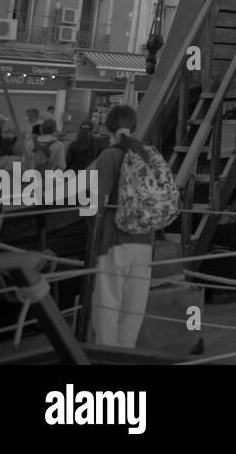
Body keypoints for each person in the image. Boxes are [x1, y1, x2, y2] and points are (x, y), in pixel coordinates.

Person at [88, 105, 155, 348]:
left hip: (114, 239)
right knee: (134, 307)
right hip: (145, 240)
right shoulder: (148, 153)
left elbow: (99, 201)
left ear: (108, 128)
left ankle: (107, 356)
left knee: (107, 302)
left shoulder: (109, 156)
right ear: (134, 126)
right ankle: (127, 355)